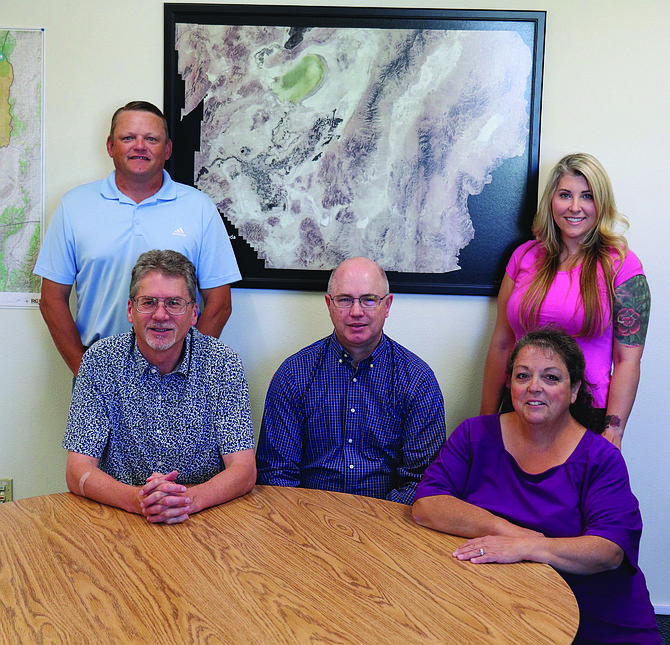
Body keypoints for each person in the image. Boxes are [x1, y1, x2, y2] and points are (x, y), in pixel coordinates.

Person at [414, 327, 660, 644]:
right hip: (504, 607)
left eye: (551, 378)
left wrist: (531, 547)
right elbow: (427, 505)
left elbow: (609, 551)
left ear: (574, 391)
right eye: (522, 376)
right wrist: (510, 533)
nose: (534, 387)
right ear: (510, 384)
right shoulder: (474, 434)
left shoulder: (601, 458)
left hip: (595, 617)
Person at [34, 101, 241, 376]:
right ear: (110, 146)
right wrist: (85, 373)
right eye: (128, 137)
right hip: (101, 374)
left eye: (151, 139)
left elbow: (219, 303)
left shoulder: (199, 207)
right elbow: (51, 300)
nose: (139, 146)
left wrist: (188, 369)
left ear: (167, 149)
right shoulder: (74, 206)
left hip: (177, 378)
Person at [63, 250, 255, 524]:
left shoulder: (222, 363)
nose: (161, 315)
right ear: (131, 310)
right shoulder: (100, 362)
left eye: (174, 303)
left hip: (205, 518)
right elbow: (77, 470)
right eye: (148, 302)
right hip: (120, 516)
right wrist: (138, 500)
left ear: (193, 312)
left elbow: (244, 470)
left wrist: (186, 500)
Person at [481, 153, 650, 448]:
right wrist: (484, 421)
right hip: (521, 405)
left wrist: (614, 431)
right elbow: (502, 343)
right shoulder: (523, 257)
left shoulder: (622, 265)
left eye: (587, 196)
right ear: (551, 201)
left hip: (585, 414)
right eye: (565, 195)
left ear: (601, 203)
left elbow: (627, 360)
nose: (575, 207)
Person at [256, 257, 445, 505]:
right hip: (306, 521)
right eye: (345, 300)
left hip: (388, 525)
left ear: (387, 305)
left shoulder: (417, 381)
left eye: (368, 299)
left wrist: (376, 524)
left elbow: (422, 480)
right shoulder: (294, 375)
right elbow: (276, 474)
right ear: (329, 304)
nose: (356, 312)